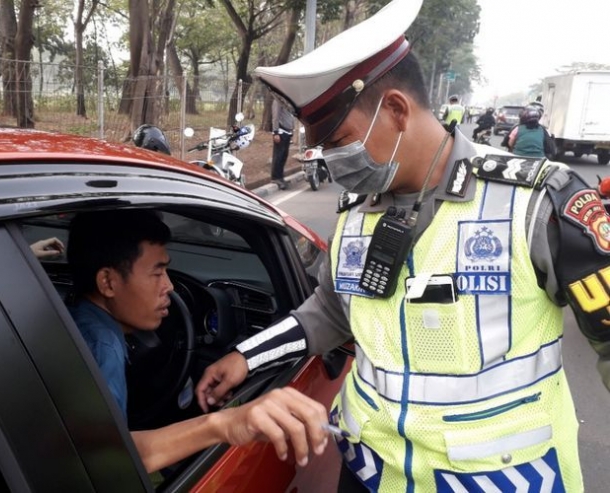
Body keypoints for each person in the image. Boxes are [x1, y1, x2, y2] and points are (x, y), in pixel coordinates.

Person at [195, 0, 610, 490]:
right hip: (370, 473)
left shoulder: (537, 203)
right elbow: (331, 311)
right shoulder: (356, 212)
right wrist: (247, 357)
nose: (330, 160)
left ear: (395, 109)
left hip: (501, 480)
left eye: (340, 140)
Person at [65, 209, 329, 474]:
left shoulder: (75, 317)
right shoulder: (102, 347)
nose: (169, 286)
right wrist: (224, 423)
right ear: (108, 282)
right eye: (157, 273)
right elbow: (108, 460)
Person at [271, 97, 294, 189]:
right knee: (278, 155)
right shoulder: (277, 101)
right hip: (280, 131)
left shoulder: (288, 101)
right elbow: (275, 117)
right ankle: (276, 177)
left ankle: (281, 177)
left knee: (284, 155)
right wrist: (275, 132)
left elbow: (291, 116)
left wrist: (292, 129)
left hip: (288, 132)